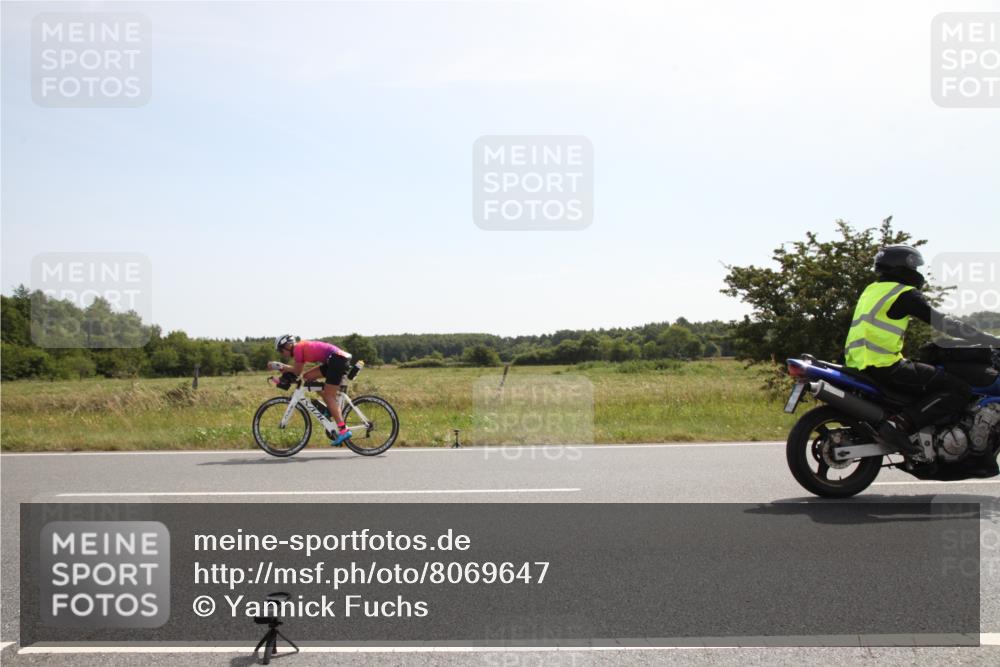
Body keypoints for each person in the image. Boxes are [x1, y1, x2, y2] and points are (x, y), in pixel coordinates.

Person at [843, 245, 1000, 470]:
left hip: (860, 363)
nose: (918, 273)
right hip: (885, 365)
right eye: (915, 267)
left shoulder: (873, 290)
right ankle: (899, 424)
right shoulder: (903, 294)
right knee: (959, 389)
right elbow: (943, 323)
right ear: (903, 267)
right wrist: (989, 339)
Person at [273, 334, 353, 446]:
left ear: (287, 345)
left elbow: (297, 371)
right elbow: (300, 375)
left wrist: (280, 366)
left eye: (281, 351)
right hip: (334, 360)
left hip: (337, 359)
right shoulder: (299, 348)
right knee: (308, 377)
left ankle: (344, 430)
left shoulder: (297, 349)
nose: (282, 354)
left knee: (330, 396)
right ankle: (330, 407)